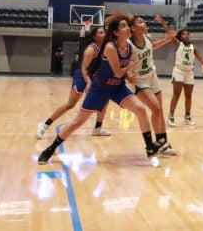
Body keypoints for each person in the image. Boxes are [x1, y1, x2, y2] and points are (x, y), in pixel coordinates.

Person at [38, 12, 168, 164]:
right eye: (123, 26)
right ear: (115, 32)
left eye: (127, 26)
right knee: (77, 122)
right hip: (100, 88)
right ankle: (50, 148)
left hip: (117, 87)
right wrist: (129, 68)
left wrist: (128, 77)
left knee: (141, 110)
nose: (127, 28)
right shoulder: (110, 47)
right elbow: (119, 71)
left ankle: (149, 147)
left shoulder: (129, 47)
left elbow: (121, 72)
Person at [36, 27, 111, 139]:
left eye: (105, 32)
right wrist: (88, 82)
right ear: (94, 36)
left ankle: (97, 128)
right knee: (71, 104)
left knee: (104, 101)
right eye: (101, 32)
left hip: (94, 77)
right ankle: (44, 124)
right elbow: (84, 69)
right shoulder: (91, 49)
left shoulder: (107, 48)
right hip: (82, 76)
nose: (104, 34)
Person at [129, 15, 178, 156]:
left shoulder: (147, 39)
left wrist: (167, 39)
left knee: (159, 110)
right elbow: (122, 61)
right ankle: (158, 144)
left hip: (152, 76)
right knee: (156, 108)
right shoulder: (128, 44)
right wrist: (127, 73)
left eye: (143, 21)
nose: (144, 23)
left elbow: (152, 46)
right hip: (139, 81)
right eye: (140, 22)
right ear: (133, 28)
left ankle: (163, 144)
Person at [159, 24, 203, 127]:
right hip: (179, 70)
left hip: (189, 72)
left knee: (188, 96)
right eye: (184, 34)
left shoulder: (193, 47)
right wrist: (163, 22)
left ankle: (187, 117)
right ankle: (171, 117)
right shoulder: (178, 44)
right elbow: (169, 34)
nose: (186, 35)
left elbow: (201, 59)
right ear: (180, 37)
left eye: (187, 34)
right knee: (176, 94)